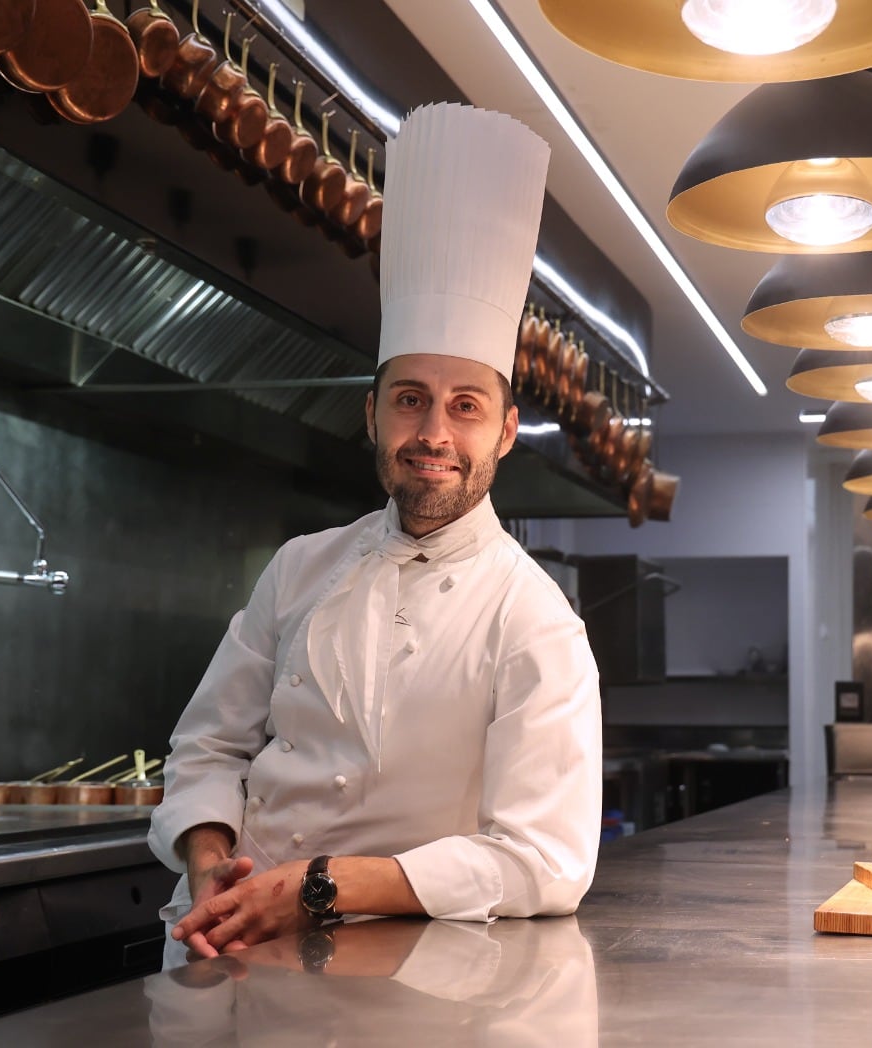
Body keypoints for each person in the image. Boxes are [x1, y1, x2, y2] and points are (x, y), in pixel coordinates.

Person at [148, 102, 602, 966]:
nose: (433, 431)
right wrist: (208, 857)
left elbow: (546, 863)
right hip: (220, 956)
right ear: (372, 415)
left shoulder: (535, 620)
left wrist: (320, 885)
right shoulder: (298, 568)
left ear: (505, 432)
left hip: (393, 978)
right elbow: (207, 744)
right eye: (409, 399)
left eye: (465, 406)